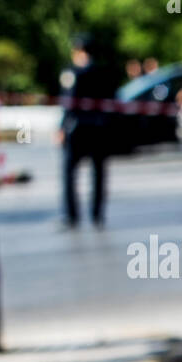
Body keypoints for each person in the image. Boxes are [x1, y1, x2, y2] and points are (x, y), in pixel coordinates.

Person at [56, 34, 114, 228]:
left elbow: (69, 102)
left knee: (69, 173)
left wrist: (62, 127)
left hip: (78, 128)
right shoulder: (103, 72)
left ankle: (72, 216)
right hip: (99, 127)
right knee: (98, 173)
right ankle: (97, 214)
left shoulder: (73, 73)